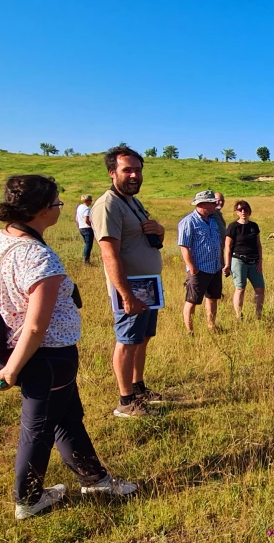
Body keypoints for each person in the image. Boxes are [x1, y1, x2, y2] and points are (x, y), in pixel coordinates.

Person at [0, 175, 137, 520]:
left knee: (67, 418)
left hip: (21, 349)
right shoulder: (37, 257)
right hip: (46, 354)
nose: (61, 208)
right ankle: (28, 499)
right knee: (38, 427)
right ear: (43, 210)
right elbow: (36, 324)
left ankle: (95, 479)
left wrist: (7, 355)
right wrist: (13, 369)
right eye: (58, 203)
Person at [90, 145, 166, 418]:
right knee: (127, 340)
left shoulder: (132, 202)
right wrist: (126, 294)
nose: (134, 175)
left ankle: (138, 388)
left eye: (138, 170)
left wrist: (160, 230)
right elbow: (109, 255)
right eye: (127, 170)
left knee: (142, 339)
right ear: (112, 173)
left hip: (147, 283)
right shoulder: (107, 205)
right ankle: (125, 402)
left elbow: (147, 239)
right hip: (130, 286)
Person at [178, 190, 224, 332]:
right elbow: (184, 246)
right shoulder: (189, 222)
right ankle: (190, 331)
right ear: (202, 204)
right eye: (212, 203)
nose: (215, 205)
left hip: (215, 267)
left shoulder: (212, 221)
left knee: (212, 298)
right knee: (192, 300)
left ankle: (211, 325)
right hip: (199, 268)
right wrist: (192, 268)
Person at [222, 199, 265, 319]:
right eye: (240, 209)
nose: (243, 211)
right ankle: (238, 315)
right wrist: (227, 264)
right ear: (236, 212)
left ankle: (258, 315)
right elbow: (228, 247)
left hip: (254, 262)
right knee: (240, 288)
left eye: (245, 209)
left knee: (260, 288)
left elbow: (258, 245)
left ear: (249, 211)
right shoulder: (233, 227)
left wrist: (260, 262)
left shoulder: (254, 226)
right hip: (238, 260)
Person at [75, 194, 94, 264]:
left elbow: (76, 218)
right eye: (91, 200)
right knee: (88, 245)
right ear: (87, 201)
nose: (91, 202)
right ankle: (86, 261)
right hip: (87, 228)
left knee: (86, 244)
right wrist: (92, 226)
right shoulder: (86, 209)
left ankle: (86, 260)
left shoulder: (79, 207)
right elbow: (86, 220)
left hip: (81, 228)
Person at [211, 192, 227, 259]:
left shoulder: (218, 213)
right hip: (213, 250)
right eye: (218, 200)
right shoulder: (210, 214)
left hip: (220, 249)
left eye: (222, 201)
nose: (220, 202)